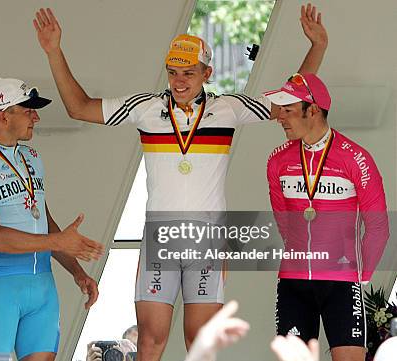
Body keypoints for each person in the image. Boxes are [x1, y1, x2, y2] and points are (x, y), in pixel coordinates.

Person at [33, 4, 328, 360]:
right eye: (173, 73)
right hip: (162, 236)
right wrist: (54, 52)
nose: (179, 81)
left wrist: (317, 48)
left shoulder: (228, 108)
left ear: (208, 72)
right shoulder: (144, 108)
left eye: (189, 72)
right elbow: (79, 107)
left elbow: (290, 99)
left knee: (200, 344)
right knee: (150, 342)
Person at [0, 78, 105, 361]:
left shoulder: (32, 157)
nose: (36, 117)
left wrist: (76, 271)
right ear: (4, 115)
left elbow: (45, 222)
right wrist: (58, 241)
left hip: (42, 288)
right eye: (28, 110)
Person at [265, 73, 389, 361]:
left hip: (342, 282)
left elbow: (378, 227)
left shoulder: (356, 158)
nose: (279, 117)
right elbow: (284, 220)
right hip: (294, 281)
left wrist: (360, 275)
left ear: (313, 109)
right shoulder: (277, 160)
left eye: (288, 110)